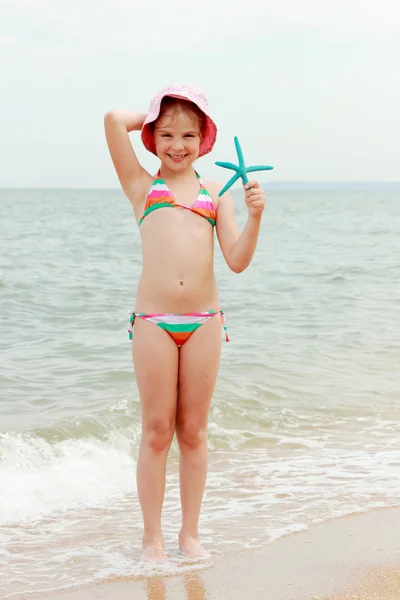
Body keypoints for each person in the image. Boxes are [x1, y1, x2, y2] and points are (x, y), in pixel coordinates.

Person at [104, 83, 265, 561]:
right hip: (153, 320)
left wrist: (256, 217)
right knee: (156, 430)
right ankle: (151, 537)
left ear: (204, 140)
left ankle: (189, 534)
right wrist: (157, 111)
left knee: (193, 431)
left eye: (189, 135)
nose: (177, 145)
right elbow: (114, 120)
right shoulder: (140, 186)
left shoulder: (217, 193)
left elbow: (236, 260)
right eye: (167, 133)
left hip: (205, 321)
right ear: (152, 136)